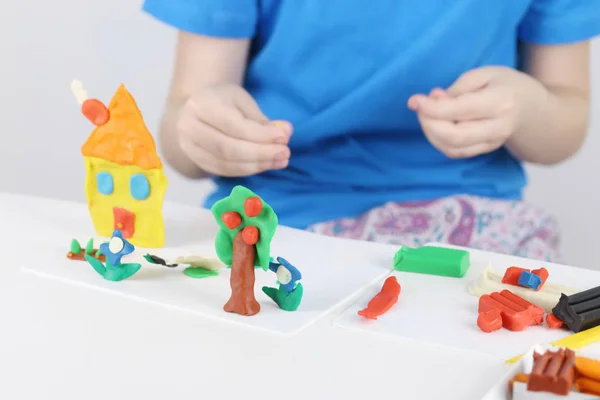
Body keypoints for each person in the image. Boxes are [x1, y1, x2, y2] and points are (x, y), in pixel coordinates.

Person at [142, 1, 600, 262]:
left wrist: (527, 108)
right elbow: (184, 131)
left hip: (476, 225)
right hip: (278, 219)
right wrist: (203, 132)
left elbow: (566, 122)